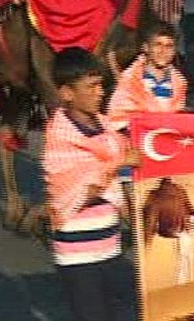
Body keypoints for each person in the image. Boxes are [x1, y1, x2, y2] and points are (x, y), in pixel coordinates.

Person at [44, 48, 138, 321]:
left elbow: (117, 177)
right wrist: (118, 163)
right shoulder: (60, 137)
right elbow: (75, 195)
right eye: (92, 86)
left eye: (101, 85)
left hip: (109, 243)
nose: (100, 92)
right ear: (67, 93)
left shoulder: (106, 127)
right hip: (78, 252)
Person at [107, 23, 188, 133]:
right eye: (158, 45)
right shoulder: (130, 80)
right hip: (136, 142)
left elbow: (179, 119)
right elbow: (117, 119)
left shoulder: (179, 83)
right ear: (146, 47)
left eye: (169, 46)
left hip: (169, 140)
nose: (163, 51)